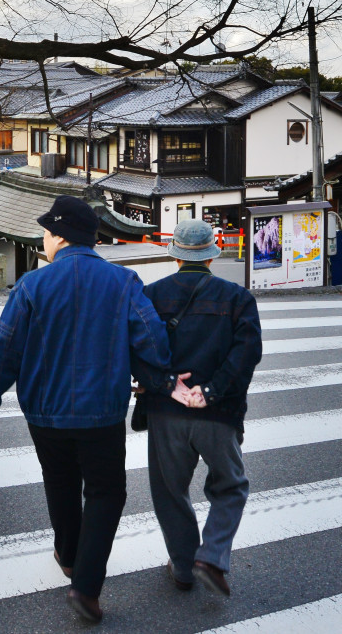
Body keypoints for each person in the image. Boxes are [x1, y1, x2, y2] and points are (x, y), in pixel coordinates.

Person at [0, 195, 192, 624]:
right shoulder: (123, 282)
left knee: (59, 480)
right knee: (105, 492)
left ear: (59, 236)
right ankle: (87, 587)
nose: (44, 239)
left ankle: (68, 555)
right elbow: (151, 341)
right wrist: (159, 377)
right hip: (102, 412)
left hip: (44, 411)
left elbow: (6, 344)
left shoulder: (32, 285)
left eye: (45, 232)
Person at [135, 219, 263, 597]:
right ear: (213, 253)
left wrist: (167, 385)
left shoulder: (151, 295)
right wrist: (209, 390)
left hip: (166, 412)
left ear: (174, 254)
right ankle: (212, 555)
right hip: (217, 413)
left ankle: (184, 567)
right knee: (231, 486)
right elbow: (247, 354)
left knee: (170, 491)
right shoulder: (238, 298)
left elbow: (134, 348)